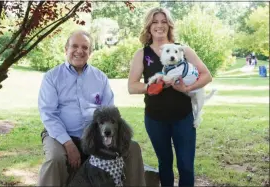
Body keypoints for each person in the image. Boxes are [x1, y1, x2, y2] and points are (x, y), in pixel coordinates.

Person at [37, 30, 145, 186]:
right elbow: (48, 114)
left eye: (85, 47)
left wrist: (110, 138)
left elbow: (110, 112)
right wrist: (68, 144)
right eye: (74, 46)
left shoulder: (100, 77)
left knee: (132, 148)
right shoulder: (52, 77)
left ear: (90, 52)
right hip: (60, 135)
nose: (79, 51)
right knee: (55, 159)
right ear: (66, 49)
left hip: (96, 135)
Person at [128, 7, 213, 187]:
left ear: (169, 25)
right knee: (165, 165)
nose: (160, 26)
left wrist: (187, 87)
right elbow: (132, 86)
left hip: (183, 117)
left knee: (186, 165)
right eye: (155, 21)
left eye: (164, 21)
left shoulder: (183, 50)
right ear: (149, 26)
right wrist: (151, 87)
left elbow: (207, 75)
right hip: (155, 119)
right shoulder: (142, 54)